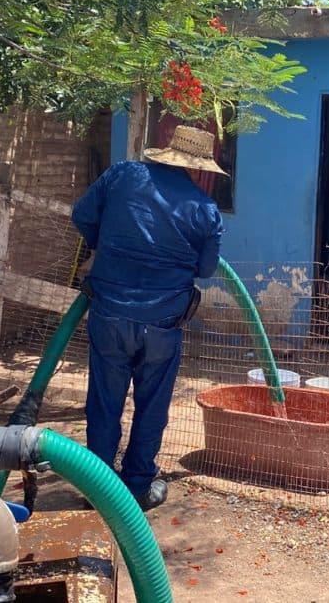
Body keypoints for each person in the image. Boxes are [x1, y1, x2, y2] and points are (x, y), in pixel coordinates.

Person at [71, 125, 225, 510]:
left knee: (104, 402)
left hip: (110, 314)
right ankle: (139, 485)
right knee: (152, 405)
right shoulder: (205, 209)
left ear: (167, 152)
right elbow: (206, 270)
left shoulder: (123, 175)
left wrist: (104, 245)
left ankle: (99, 488)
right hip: (163, 324)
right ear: (201, 167)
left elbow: (82, 215)